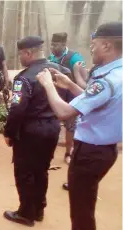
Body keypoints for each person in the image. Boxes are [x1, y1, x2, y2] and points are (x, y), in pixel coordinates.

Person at [36, 21, 122, 230]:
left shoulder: (105, 80)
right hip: (106, 149)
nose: (90, 50)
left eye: (93, 45)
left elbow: (64, 112)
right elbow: (97, 99)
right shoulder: (117, 74)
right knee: (86, 200)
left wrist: (48, 86)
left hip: (91, 152)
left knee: (82, 206)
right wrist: (70, 84)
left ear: (106, 45)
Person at [3, 36, 71, 227]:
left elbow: (17, 109)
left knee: (25, 171)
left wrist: (9, 133)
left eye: (21, 55)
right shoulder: (60, 71)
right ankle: (39, 209)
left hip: (30, 130)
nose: (20, 59)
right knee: (42, 170)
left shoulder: (23, 78)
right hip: (52, 128)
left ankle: (25, 213)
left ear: (28, 53)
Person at [49, 32, 88, 167]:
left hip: (71, 98)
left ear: (64, 44)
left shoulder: (75, 58)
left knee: (70, 126)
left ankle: (68, 153)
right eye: (52, 44)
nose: (53, 47)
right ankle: (48, 152)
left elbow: (84, 78)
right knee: (52, 125)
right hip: (55, 96)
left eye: (56, 45)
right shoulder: (51, 58)